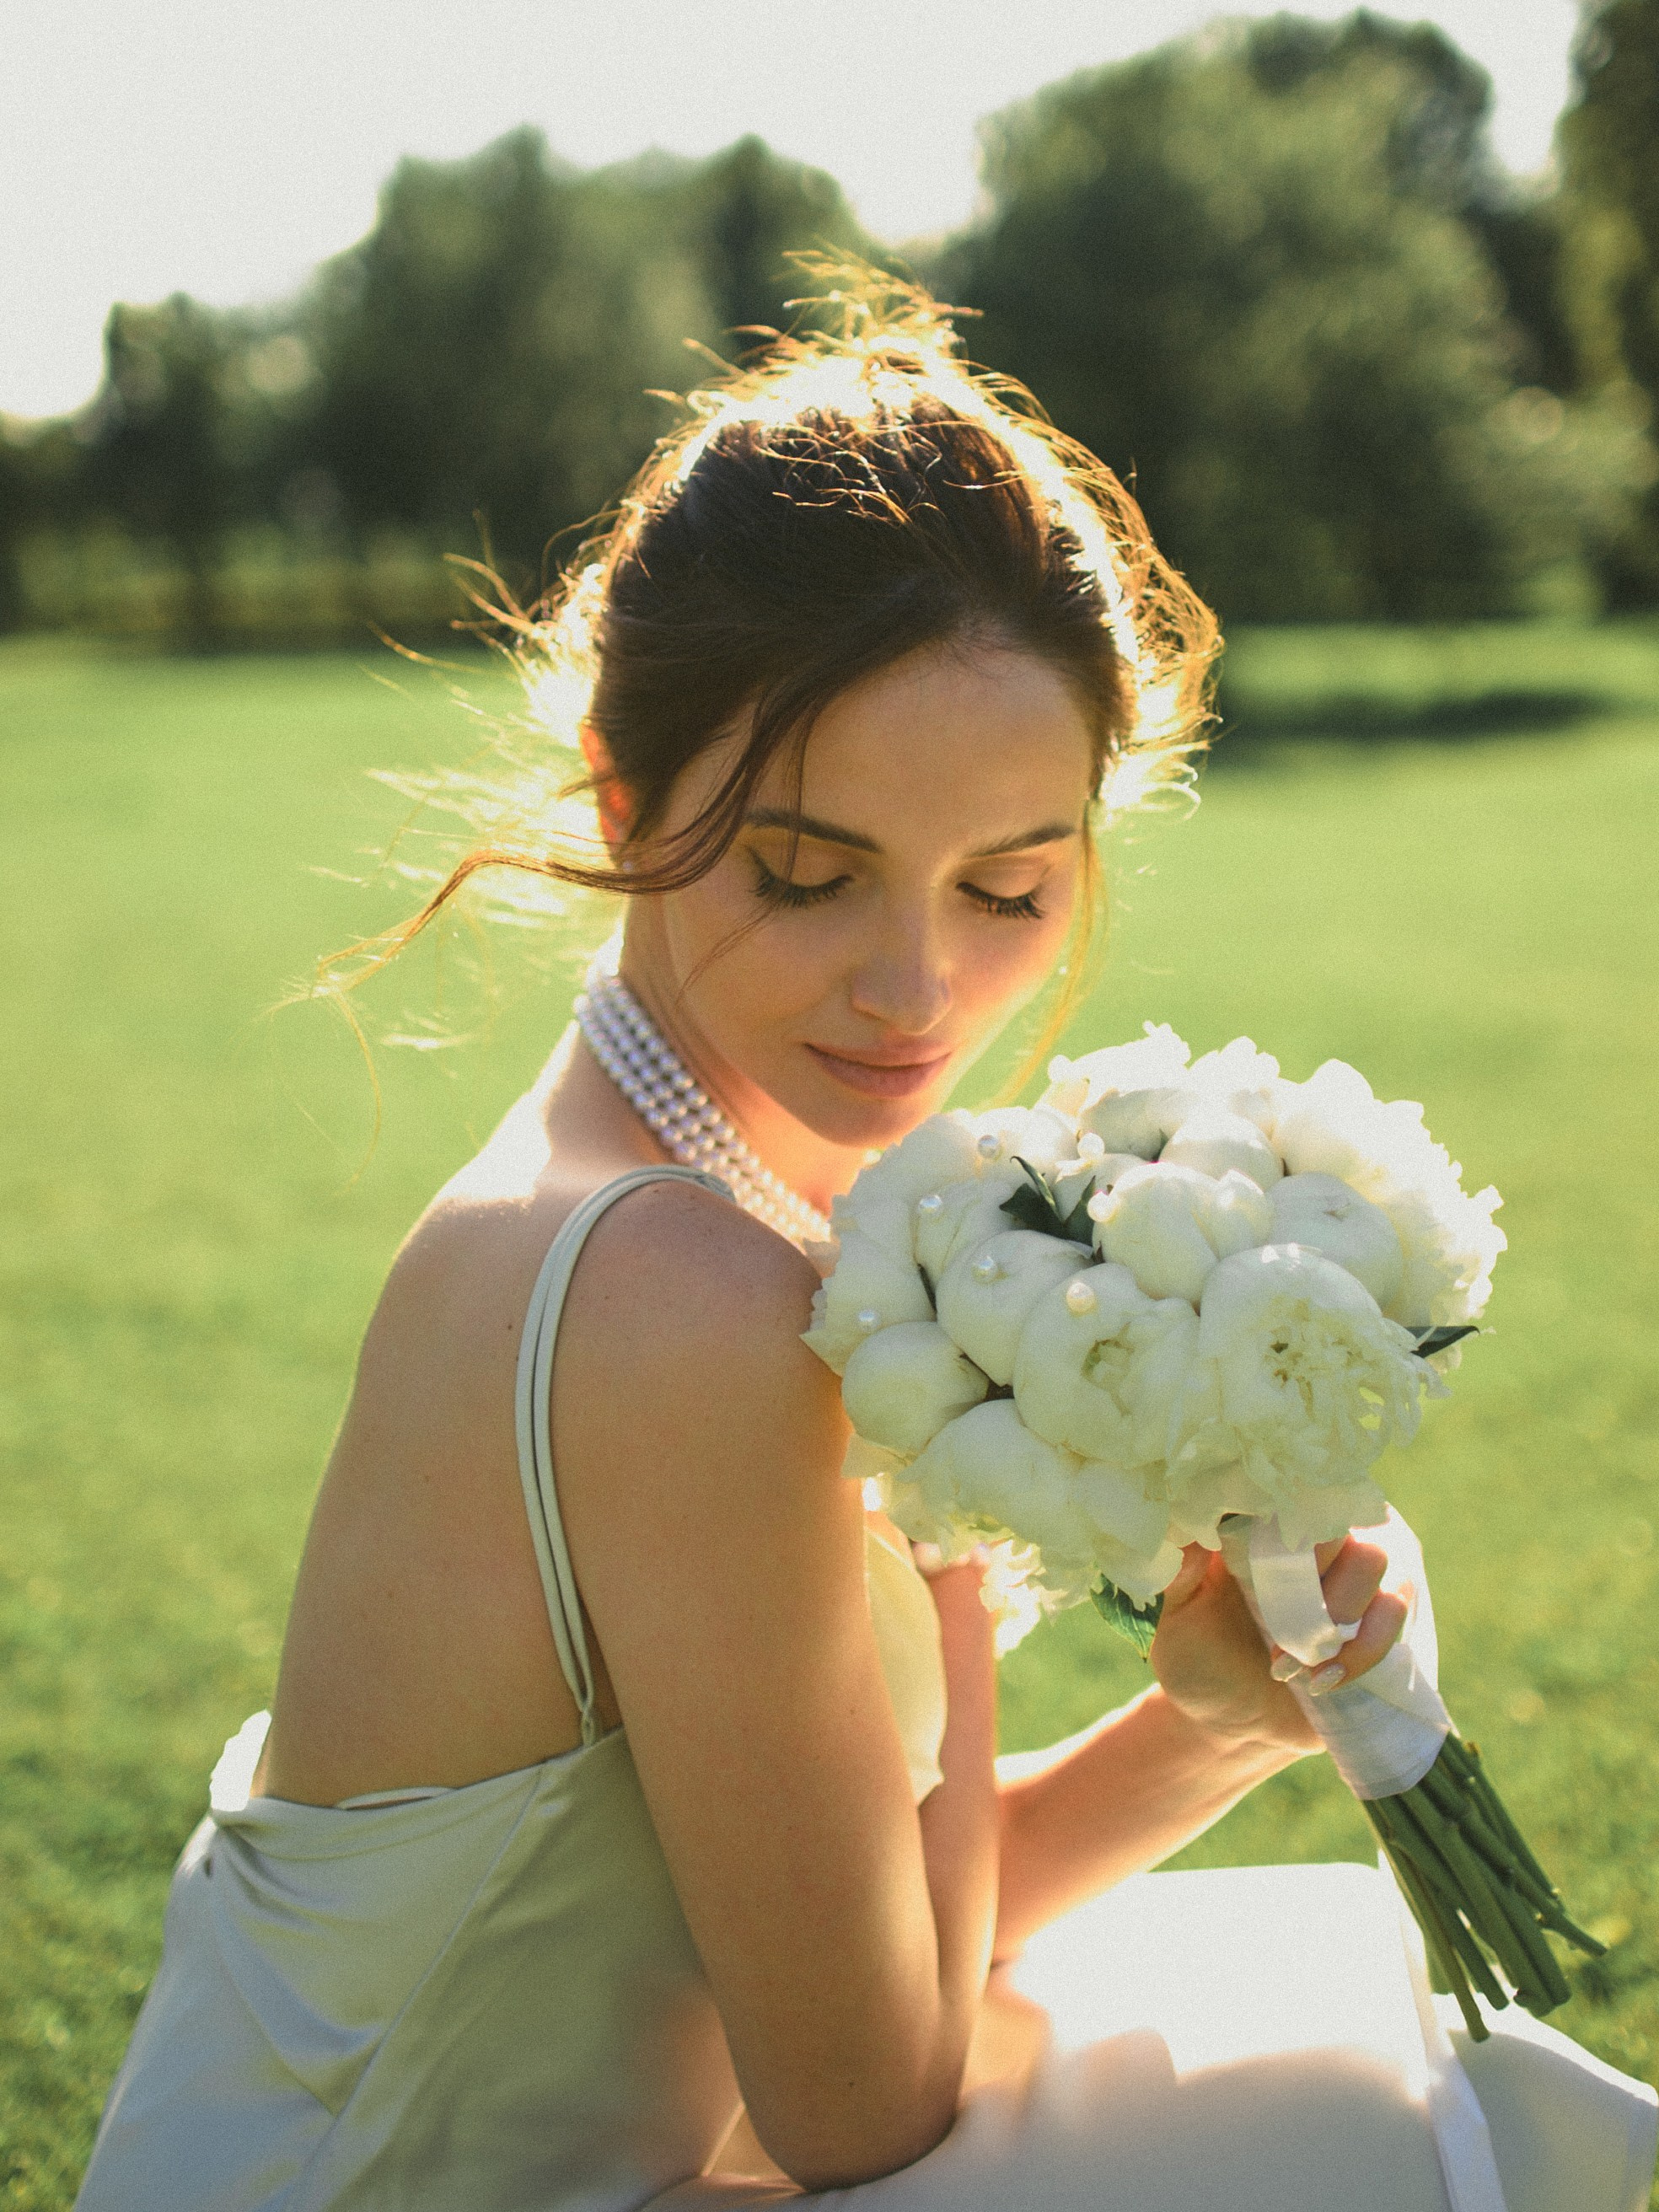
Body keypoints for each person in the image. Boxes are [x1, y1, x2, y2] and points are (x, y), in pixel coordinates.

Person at [77, 274, 1656, 2212]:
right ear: (623, 794)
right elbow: (860, 2107)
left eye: (1007, 886)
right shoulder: (672, 1289)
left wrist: (1208, 1729)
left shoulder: (714, 1174)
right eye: (809, 874)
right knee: (1339, 2122)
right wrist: (964, 1546)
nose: (917, 990)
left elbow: (850, 1930)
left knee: (1347, 2057)